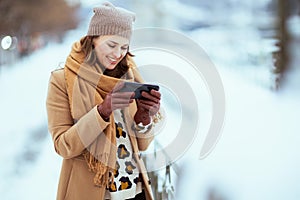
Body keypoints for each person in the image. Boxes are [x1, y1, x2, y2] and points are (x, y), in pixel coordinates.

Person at [46, 2, 161, 200]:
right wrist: (102, 112)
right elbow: (63, 146)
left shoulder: (130, 76)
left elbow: (142, 146)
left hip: (135, 192)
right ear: (93, 39)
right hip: (90, 193)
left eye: (124, 47)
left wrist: (144, 119)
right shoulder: (62, 80)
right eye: (111, 45)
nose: (118, 54)